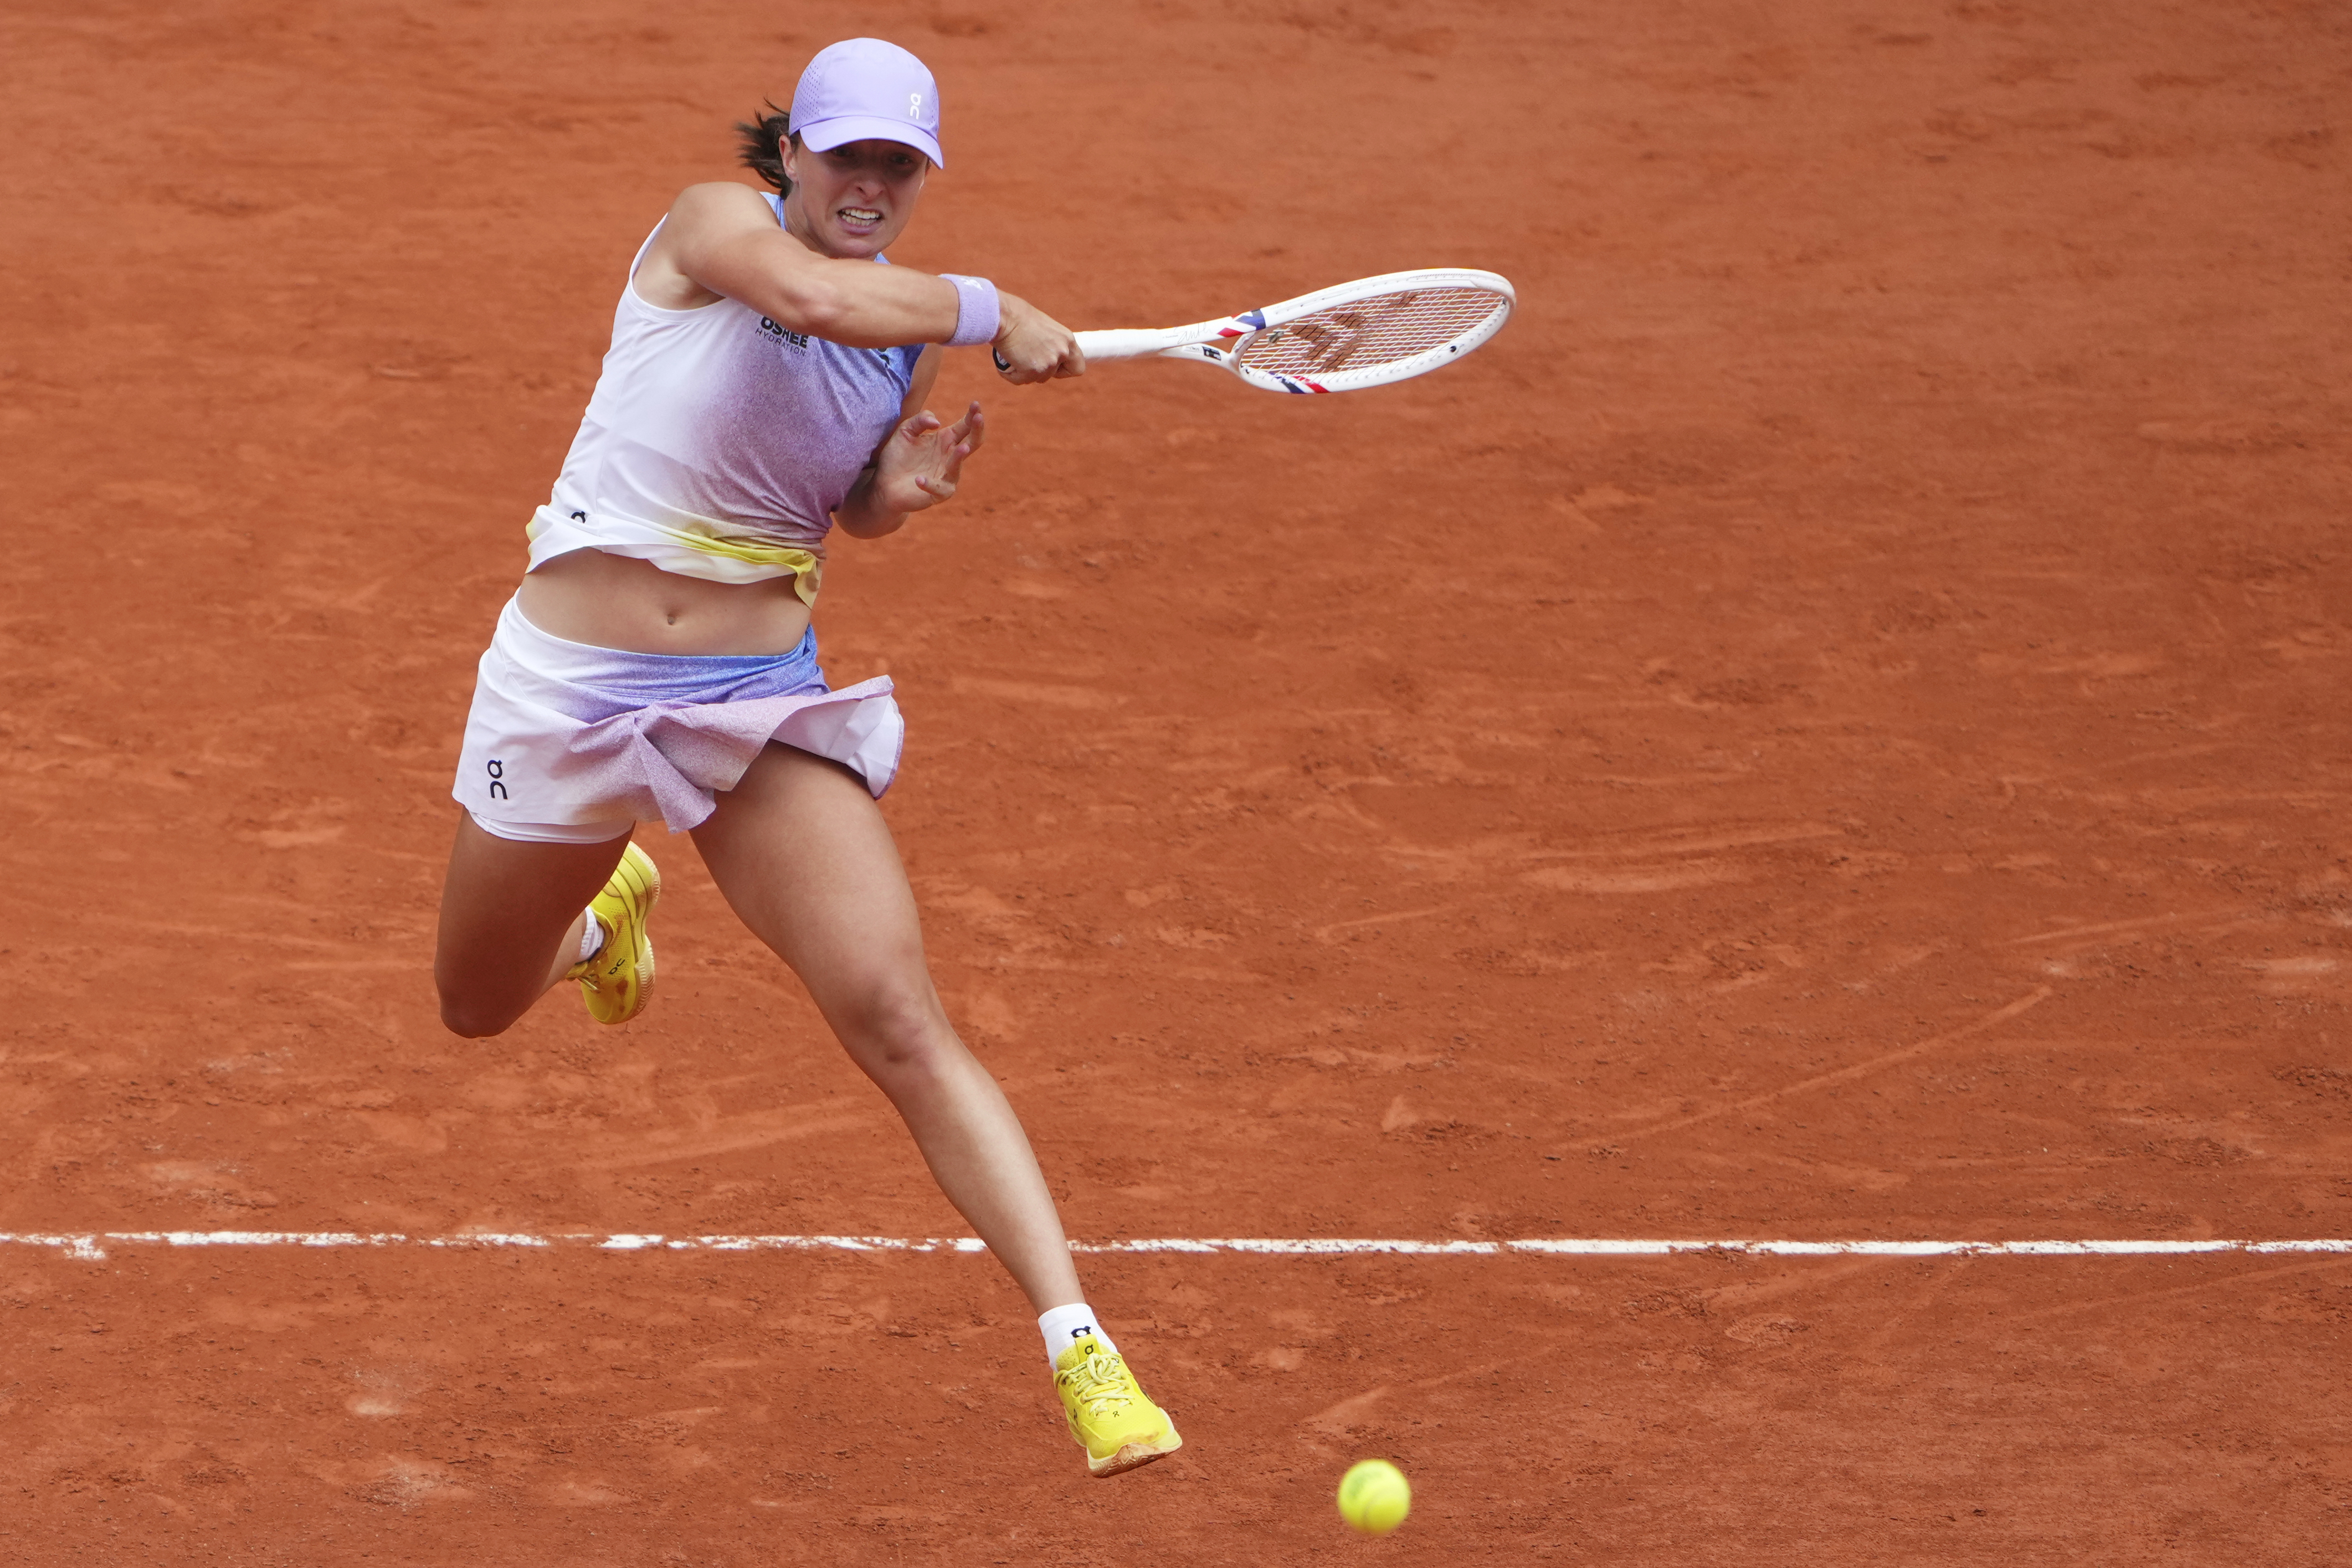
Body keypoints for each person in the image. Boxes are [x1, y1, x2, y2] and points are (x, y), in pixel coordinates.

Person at [430, 37, 1180, 1479]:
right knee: (473, 1002)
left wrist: (889, 496)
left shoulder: (902, 332)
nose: (872, 186)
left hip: (748, 700)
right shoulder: (710, 228)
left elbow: (829, 501)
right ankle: (602, 924)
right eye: (849, 158)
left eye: (900, 164)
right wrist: (988, 305)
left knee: (897, 1012)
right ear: (793, 157)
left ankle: (1083, 1347)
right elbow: (805, 295)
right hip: (568, 695)